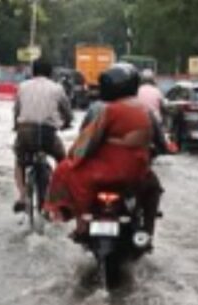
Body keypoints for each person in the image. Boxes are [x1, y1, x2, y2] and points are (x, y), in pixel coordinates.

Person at [45, 63, 168, 241]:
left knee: (66, 172)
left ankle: (81, 225)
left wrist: (74, 157)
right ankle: (147, 233)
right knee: (153, 189)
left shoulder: (106, 110)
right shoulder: (145, 110)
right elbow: (160, 142)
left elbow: (88, 140)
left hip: (106, 172)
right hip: (137, 173)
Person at [13, 59, 73, 213]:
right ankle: (60, 195)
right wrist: (67, 123)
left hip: (25, 132)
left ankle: (22, 196)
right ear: (50, 73)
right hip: (48, 134)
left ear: (33, 72)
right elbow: (67, 111)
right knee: (62, 160)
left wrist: (16, 125)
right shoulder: (57, 88)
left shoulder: (22, 86)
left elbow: (17, 110)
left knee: (19, 161)